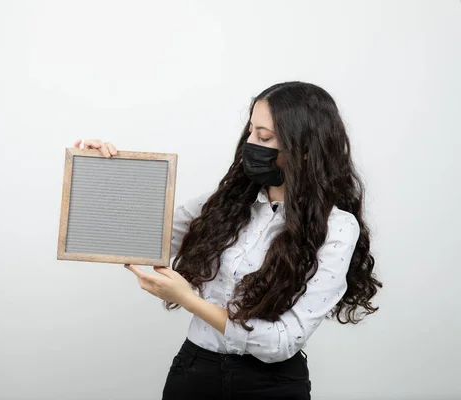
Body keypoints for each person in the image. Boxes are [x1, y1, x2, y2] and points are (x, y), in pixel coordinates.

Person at [73, 81, 382, 400]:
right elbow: (133, 237)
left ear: (304, 149)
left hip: (271, 386)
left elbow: (281, 343)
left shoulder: (337, 228)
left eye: (264, 137)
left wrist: (189, 300)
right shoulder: (223, 205)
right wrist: (97, 171)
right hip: (194, 374)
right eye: (250, 132)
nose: (250, 143)